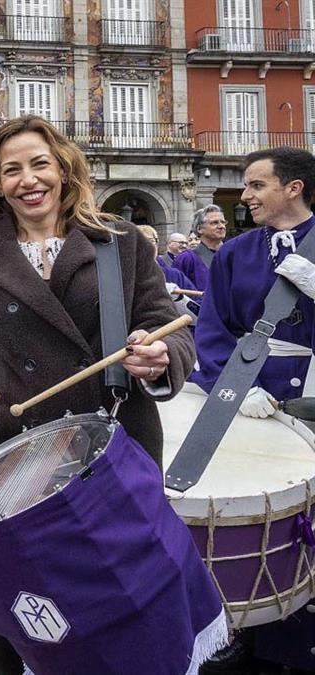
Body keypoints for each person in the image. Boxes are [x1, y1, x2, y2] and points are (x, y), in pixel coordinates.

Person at [0, 116, 195, 674]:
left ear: (64, 168)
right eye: (11, 169)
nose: (28, 179)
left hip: (110, 451)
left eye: (39, 163)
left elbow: (171, 327)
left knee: (120, 600)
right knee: (29, 609)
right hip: (16, 455)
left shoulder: (119, 242)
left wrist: (159, 360)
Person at [192, 146, 315, 674]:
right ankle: (255, 635)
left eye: (256, 185)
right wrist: (234, 387)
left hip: (313, 392)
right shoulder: (236, 252)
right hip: (252, 402)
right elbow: (213, 328)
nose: (245, 196)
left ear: (293, 188)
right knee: (264, 516)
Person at [174, 205, 227, 291]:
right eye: (214, 223)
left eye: (223, 222)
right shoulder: (186, 258)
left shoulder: (233, 254)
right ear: (199, 229)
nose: (221, 226)